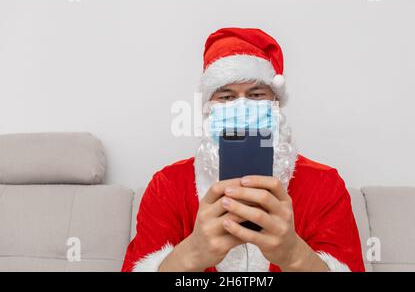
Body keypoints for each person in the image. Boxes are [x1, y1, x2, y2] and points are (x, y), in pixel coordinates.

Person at [121, 28, 365, 272]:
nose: (241, 108)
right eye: (226, 97)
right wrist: (192, 254)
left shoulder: (324, 184)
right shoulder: (167, 186)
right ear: (208, 109)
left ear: (276, 106)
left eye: (256, 95)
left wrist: (294, 255)